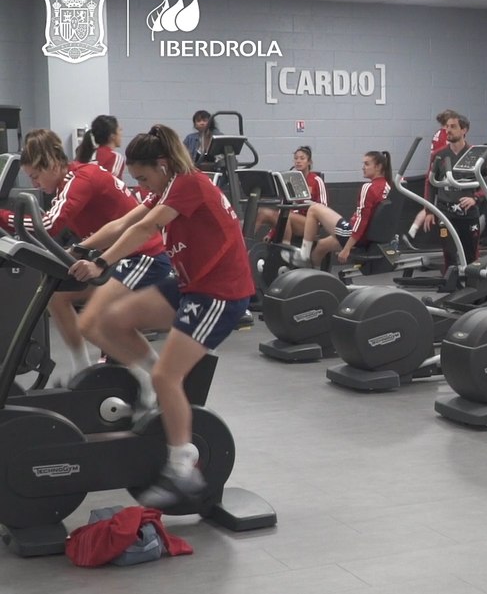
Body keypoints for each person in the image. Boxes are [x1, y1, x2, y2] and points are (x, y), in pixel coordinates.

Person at [67, 124, 254, 508]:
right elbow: (125, 223)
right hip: (189, 285)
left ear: (163, 164)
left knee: (169, 375)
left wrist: (101, 261)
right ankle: (153, 385)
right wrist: (78, 249)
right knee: (110, 321)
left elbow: (149, 227)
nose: (143, 185)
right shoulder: (167, 187)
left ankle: (183, 468)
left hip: (219, 292)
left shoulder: (188, 182)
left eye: (145, 176)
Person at [1, 129, 171, 384]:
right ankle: (82, 371)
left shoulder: (81, 178)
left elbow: (49, 224)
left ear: (50, 163)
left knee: (94, 322)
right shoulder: (68, 182)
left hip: (142, 257)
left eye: (35, 176)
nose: (35, 184)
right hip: (113, 258)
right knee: (56, 296)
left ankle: (152, 382)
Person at [299, 150, 392, 268]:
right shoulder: (388, 187)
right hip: (367, 237)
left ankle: (302, 256)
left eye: (367, 164)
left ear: (378, 167)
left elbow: (361, 221)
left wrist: (347, 248)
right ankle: (314, 276)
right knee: (321, 246)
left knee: (314, 209)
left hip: (352, 235)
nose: (363, 168)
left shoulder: (369, 188)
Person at [421, 114, 483, 266]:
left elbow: (486, 185)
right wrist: (428, 211)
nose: (448, 130)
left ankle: (473, 285)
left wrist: (475, 198)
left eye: (453, 127)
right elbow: (430, 183)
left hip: (469, 214)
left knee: (471, 255)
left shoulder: (475, 155)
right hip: (446, 213)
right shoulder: (439, 155)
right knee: (449, 253)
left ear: (464, 130)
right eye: (447, 127)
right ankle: (451, 286)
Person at [407, 109, 459, 245]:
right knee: (432, 206)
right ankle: (413, 233)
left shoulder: (437, 134)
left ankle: (412, 231)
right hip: (442, 174)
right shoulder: (445, 135)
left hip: (436, 171)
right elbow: (448, 153)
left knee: (429, 205)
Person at [255, 145, 327, 243]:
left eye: (302, 158)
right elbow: (283, 208)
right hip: (290, 219)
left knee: (286, 214)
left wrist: (308, 203)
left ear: (309, 162)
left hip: (310, 223)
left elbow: (324, 208)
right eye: (296, 158)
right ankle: (243, 244)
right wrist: (271, 233)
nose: (298, 161)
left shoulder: (316, 180)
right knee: (263, 212)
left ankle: (285, 248)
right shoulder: (290, 181)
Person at [74, 115, 125, 180]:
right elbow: (111, 184)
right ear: (112, 136)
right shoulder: (115, 157)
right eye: (119, 130)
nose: (121, 134)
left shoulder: (88, 153)